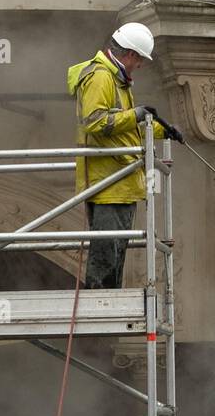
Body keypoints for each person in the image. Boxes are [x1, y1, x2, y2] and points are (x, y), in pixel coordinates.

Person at [66, 21, 167, 290]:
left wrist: (163, 130)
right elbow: (96, 122)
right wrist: (137, 114)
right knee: (106, 251)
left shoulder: (117, 81)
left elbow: (126, 127)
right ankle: (101, 301)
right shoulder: (101, 77)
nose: (140, 66)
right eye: (140, 60)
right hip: (108, 182)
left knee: (115, 248)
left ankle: (107, 297)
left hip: (119, 181)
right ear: (131, 55)